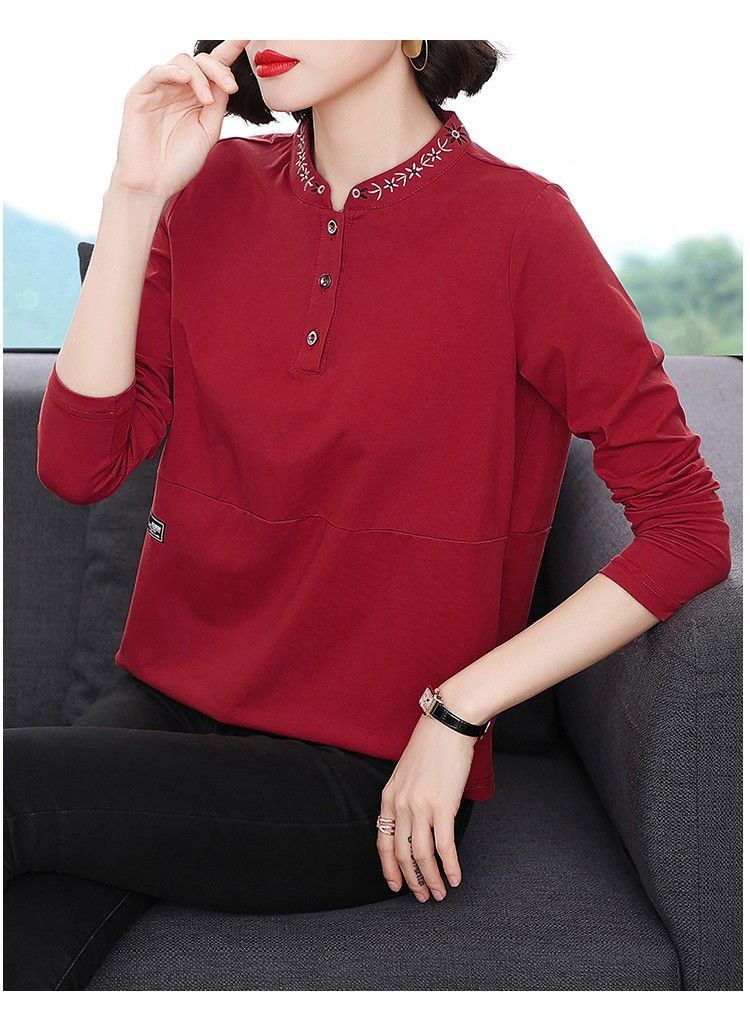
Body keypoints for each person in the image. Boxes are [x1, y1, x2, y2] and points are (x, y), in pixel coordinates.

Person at [4, 40, 732, 991]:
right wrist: (134, 196)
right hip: (171, 707)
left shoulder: (523, 227)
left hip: (365, 774)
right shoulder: (209, 187)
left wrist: (461, 708)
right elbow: (78, 465)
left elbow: (688, 531)